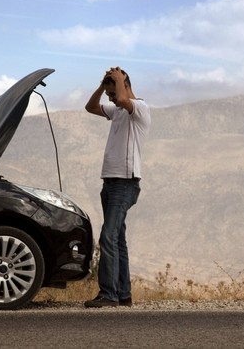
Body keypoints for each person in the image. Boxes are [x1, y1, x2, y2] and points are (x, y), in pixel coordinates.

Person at [83, 66, 151, 308]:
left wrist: (119, 80)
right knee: (118, 239)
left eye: (113, 94)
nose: (111, 99)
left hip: (125, 182)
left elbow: (123, 98)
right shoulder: (117, 111)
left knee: (108, 236)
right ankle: (124, 295)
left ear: (125, 85)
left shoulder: (139, 108)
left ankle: (108, 294)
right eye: (109, 96)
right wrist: (103, 87)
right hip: (110, 181)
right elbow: (90, 107)